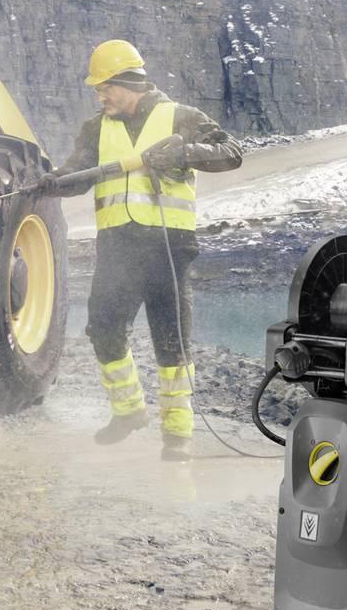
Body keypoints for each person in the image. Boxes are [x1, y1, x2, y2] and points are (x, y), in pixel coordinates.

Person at [57, 40, 243, 452]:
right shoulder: (95, 128)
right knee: (103, 328)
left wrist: (186, 152)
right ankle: (128, 410)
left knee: (171, 341)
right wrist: (48, 182)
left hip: (168, 248)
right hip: (117, 247)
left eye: (105, 88)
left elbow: (232, 153)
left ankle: (177, 434)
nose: (100, 96)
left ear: (129, 83)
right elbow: (76, 175)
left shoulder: (181, 117)